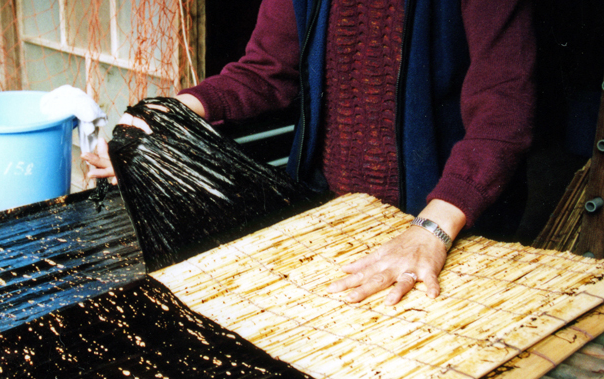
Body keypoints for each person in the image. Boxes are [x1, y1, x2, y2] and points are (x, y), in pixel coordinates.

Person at [84, 0, 536, 306]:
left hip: (442, 218)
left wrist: (432, 229)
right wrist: (170, 117)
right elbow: (265, 72)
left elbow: (505, 108)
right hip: (333, 211)